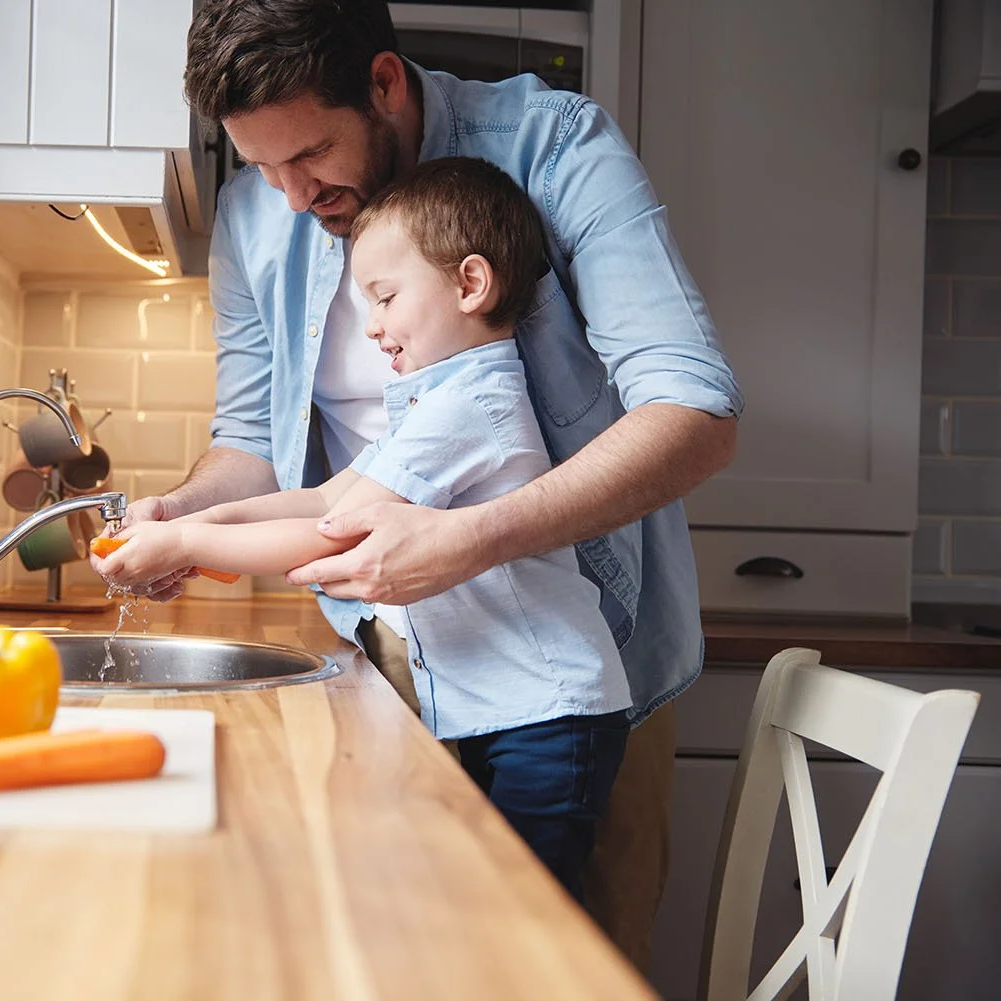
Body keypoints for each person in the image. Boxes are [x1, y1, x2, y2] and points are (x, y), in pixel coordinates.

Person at [91, 0, 743, 969]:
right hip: (394, 661)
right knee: (408, 956)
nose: (290, 193)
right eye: (263, 167)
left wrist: (469, 538)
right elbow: (260, 446)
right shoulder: (256, 212)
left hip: (572, 669)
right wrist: (182, 514)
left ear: (385, 85)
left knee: (564, 964)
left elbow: (694, 411)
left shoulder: (556, 146)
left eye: (308, 156)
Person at [100, 157, 636, 901]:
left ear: (470, 284)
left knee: (523, 916)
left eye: (384, 297)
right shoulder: (432, 398)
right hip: (508, 709)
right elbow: (324, 494)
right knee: (484, 910)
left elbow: (333, 532)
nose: (374, 325)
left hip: (548, 718)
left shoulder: (472, 403)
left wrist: (186, 546)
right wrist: (195, 516)